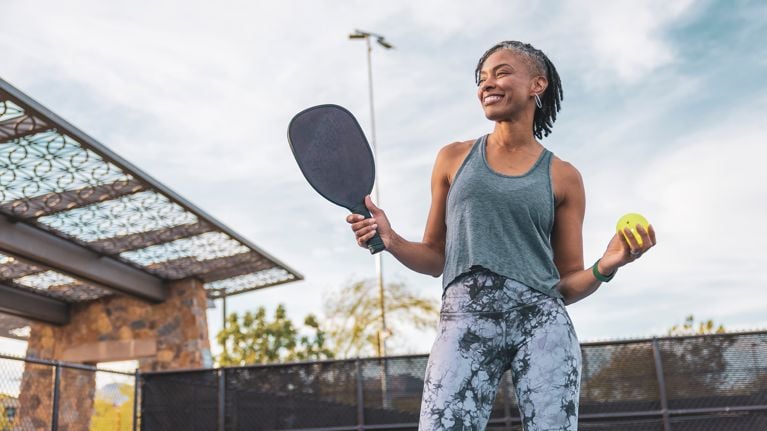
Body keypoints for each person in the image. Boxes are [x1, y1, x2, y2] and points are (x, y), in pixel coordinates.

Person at [346, 40, 656, 430]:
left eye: (502, 72)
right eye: (481, 78)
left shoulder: (564, 176)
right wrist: (391, 239)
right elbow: (434, 257)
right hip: (464, 318)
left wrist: (608, 264)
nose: (487, 84)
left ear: (537, 84)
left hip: (542, 323)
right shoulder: (453, 158)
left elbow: (567, 284)